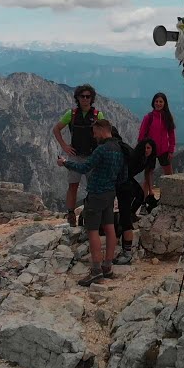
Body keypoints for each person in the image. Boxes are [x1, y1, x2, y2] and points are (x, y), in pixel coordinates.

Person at [57, 119, 125, 285]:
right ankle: (107, 267)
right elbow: (123, 174)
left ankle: (96, 271)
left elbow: (84, 167)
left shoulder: (101, 149)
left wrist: (65, 163)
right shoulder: (119, 148)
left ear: (102, 130)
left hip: (96, 194)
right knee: (109, 228)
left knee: (92, 230)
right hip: (110, 193)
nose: (94, 136)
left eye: (95, 133)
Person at [52, 84, 105, 226]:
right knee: (73, 186)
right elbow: (56, 129)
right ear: (78, 98)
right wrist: (64, 146)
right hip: (75, 156)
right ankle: (71, 214)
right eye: (82, 96)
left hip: (92, 156)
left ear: (92, 98)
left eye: (88, 96)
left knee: (93, 187)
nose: (85, 99)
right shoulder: (71, 114)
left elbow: (105, 133)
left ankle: (90, 212)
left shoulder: (97, 115)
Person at [113, 135, 157, 265]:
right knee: (136, 194)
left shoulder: (149, 160)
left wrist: (150, 190)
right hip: (124, 178)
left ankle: (131, 214)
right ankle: (126, 218)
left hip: (128, 177)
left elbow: (148, 174)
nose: (147, 150)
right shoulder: (136, 156)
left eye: (149, 148)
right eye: (145, 148)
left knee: (140, 195)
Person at [137, 92, 176, 198]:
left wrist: (171, 150)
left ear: (164, 103)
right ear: (153, 103)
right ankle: (145, 199)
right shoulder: (148, 117)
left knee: (169, 175)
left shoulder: (167, 117)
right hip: (150, 151)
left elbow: (171, 135)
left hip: (164, 150)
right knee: (148, 175)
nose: (158, 104)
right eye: (156, 101)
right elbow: (141, 135)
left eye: (161, 101)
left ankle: (169, 197)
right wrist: (143, 149)